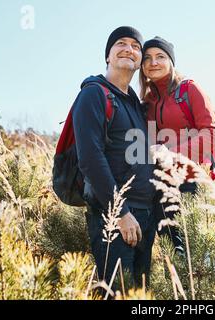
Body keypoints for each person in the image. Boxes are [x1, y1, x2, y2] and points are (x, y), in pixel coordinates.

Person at [72, 26, 156, 292]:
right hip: (115, 217)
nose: (129, 49)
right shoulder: (94, 94)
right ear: (108, 55)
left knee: (139, 297)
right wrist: (120, 213)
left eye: (135, 46)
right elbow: (90, 158)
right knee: (117, 293)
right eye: (121, 43)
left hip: (144, 216)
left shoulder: (135, 104)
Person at [139, 36, 215, 253]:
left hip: (192, 183)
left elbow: (212, 134)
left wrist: (172, 153)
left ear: (171, 61)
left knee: (200, 256)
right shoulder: (147, 102)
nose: (153, 62)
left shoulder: (189, 89)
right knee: (174, 255)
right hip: (162, 188)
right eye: (147, 58)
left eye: (160, 56)